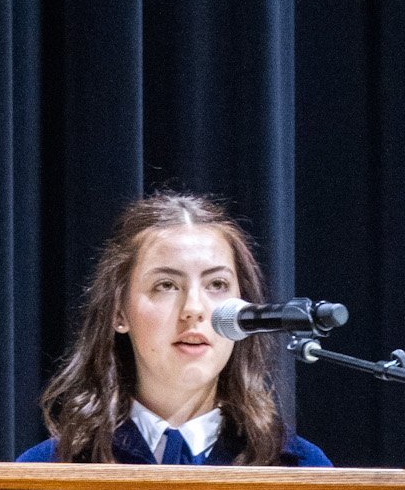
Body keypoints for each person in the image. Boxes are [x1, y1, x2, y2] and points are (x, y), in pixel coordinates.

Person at [18, 192, 330, 466]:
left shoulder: (299, 469)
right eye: (166, 285)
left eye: (217, 284)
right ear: (119, 312)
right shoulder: (50, 472)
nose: (193, 308)